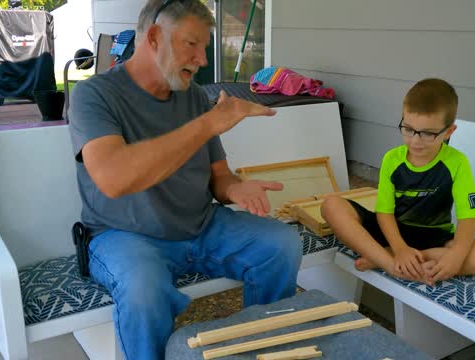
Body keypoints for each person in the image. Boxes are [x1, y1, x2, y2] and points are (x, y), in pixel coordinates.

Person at [68, 1, 302, 359]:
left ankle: (261, 347)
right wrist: (209, 122)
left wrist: (237, 188)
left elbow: (219, 176)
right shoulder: (95, 95)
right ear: (155, 37)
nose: (203, 59)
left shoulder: (193, 97)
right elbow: (114, 179)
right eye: (192, 44)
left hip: (201, 225)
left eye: (204, 47)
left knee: (281, 244)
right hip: (124, 235)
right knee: (143, 291)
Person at [321, 78, 475, 286]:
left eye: (428, 134)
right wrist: (400, 248)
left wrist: (456, 255)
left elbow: (469, 217)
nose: (415, 141)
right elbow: (384, 212)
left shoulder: (457, 162)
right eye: (408, 129)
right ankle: (391, 264)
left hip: (434, 236)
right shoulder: (392, 159)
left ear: (449, 132)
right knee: (331, 205)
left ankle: (388, 257)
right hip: (392, 229)